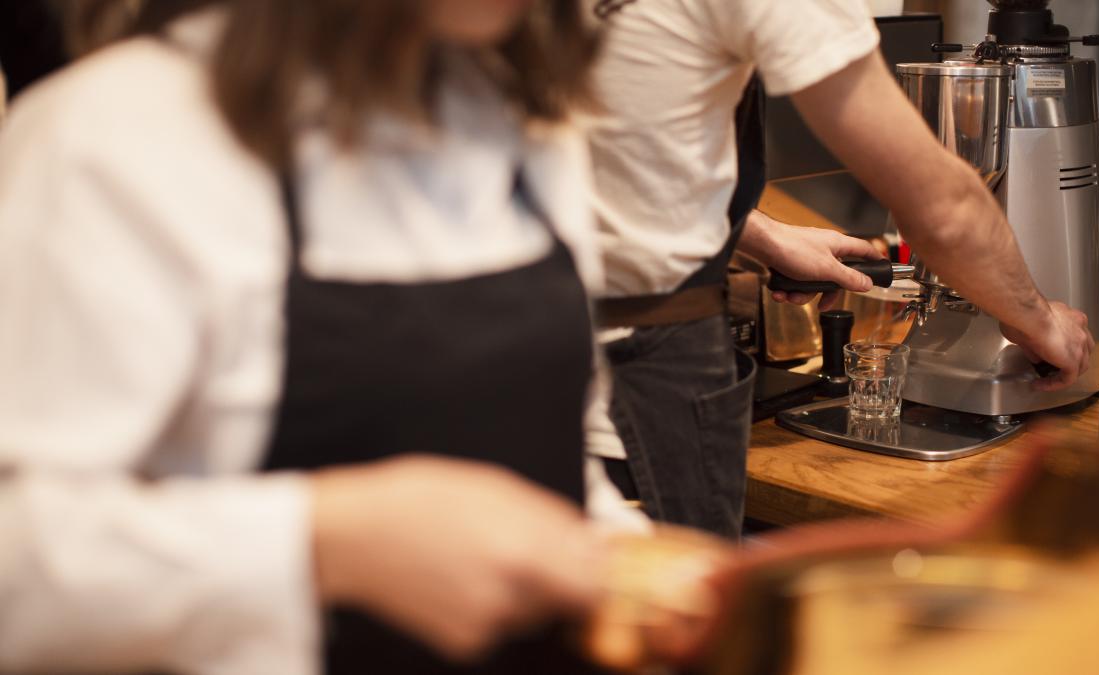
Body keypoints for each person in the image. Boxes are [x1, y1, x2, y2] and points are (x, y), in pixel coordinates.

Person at [0, 1, 635, 673]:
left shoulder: (526, 123)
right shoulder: (113, 139)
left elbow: (550, 466)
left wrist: (639, 567)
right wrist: (319, 539)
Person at [584, 0, 1095, 538]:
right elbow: (942, 208)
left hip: (515, 362)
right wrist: (1038, 319)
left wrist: (763, 233)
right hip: (633, 393)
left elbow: (614, 157)